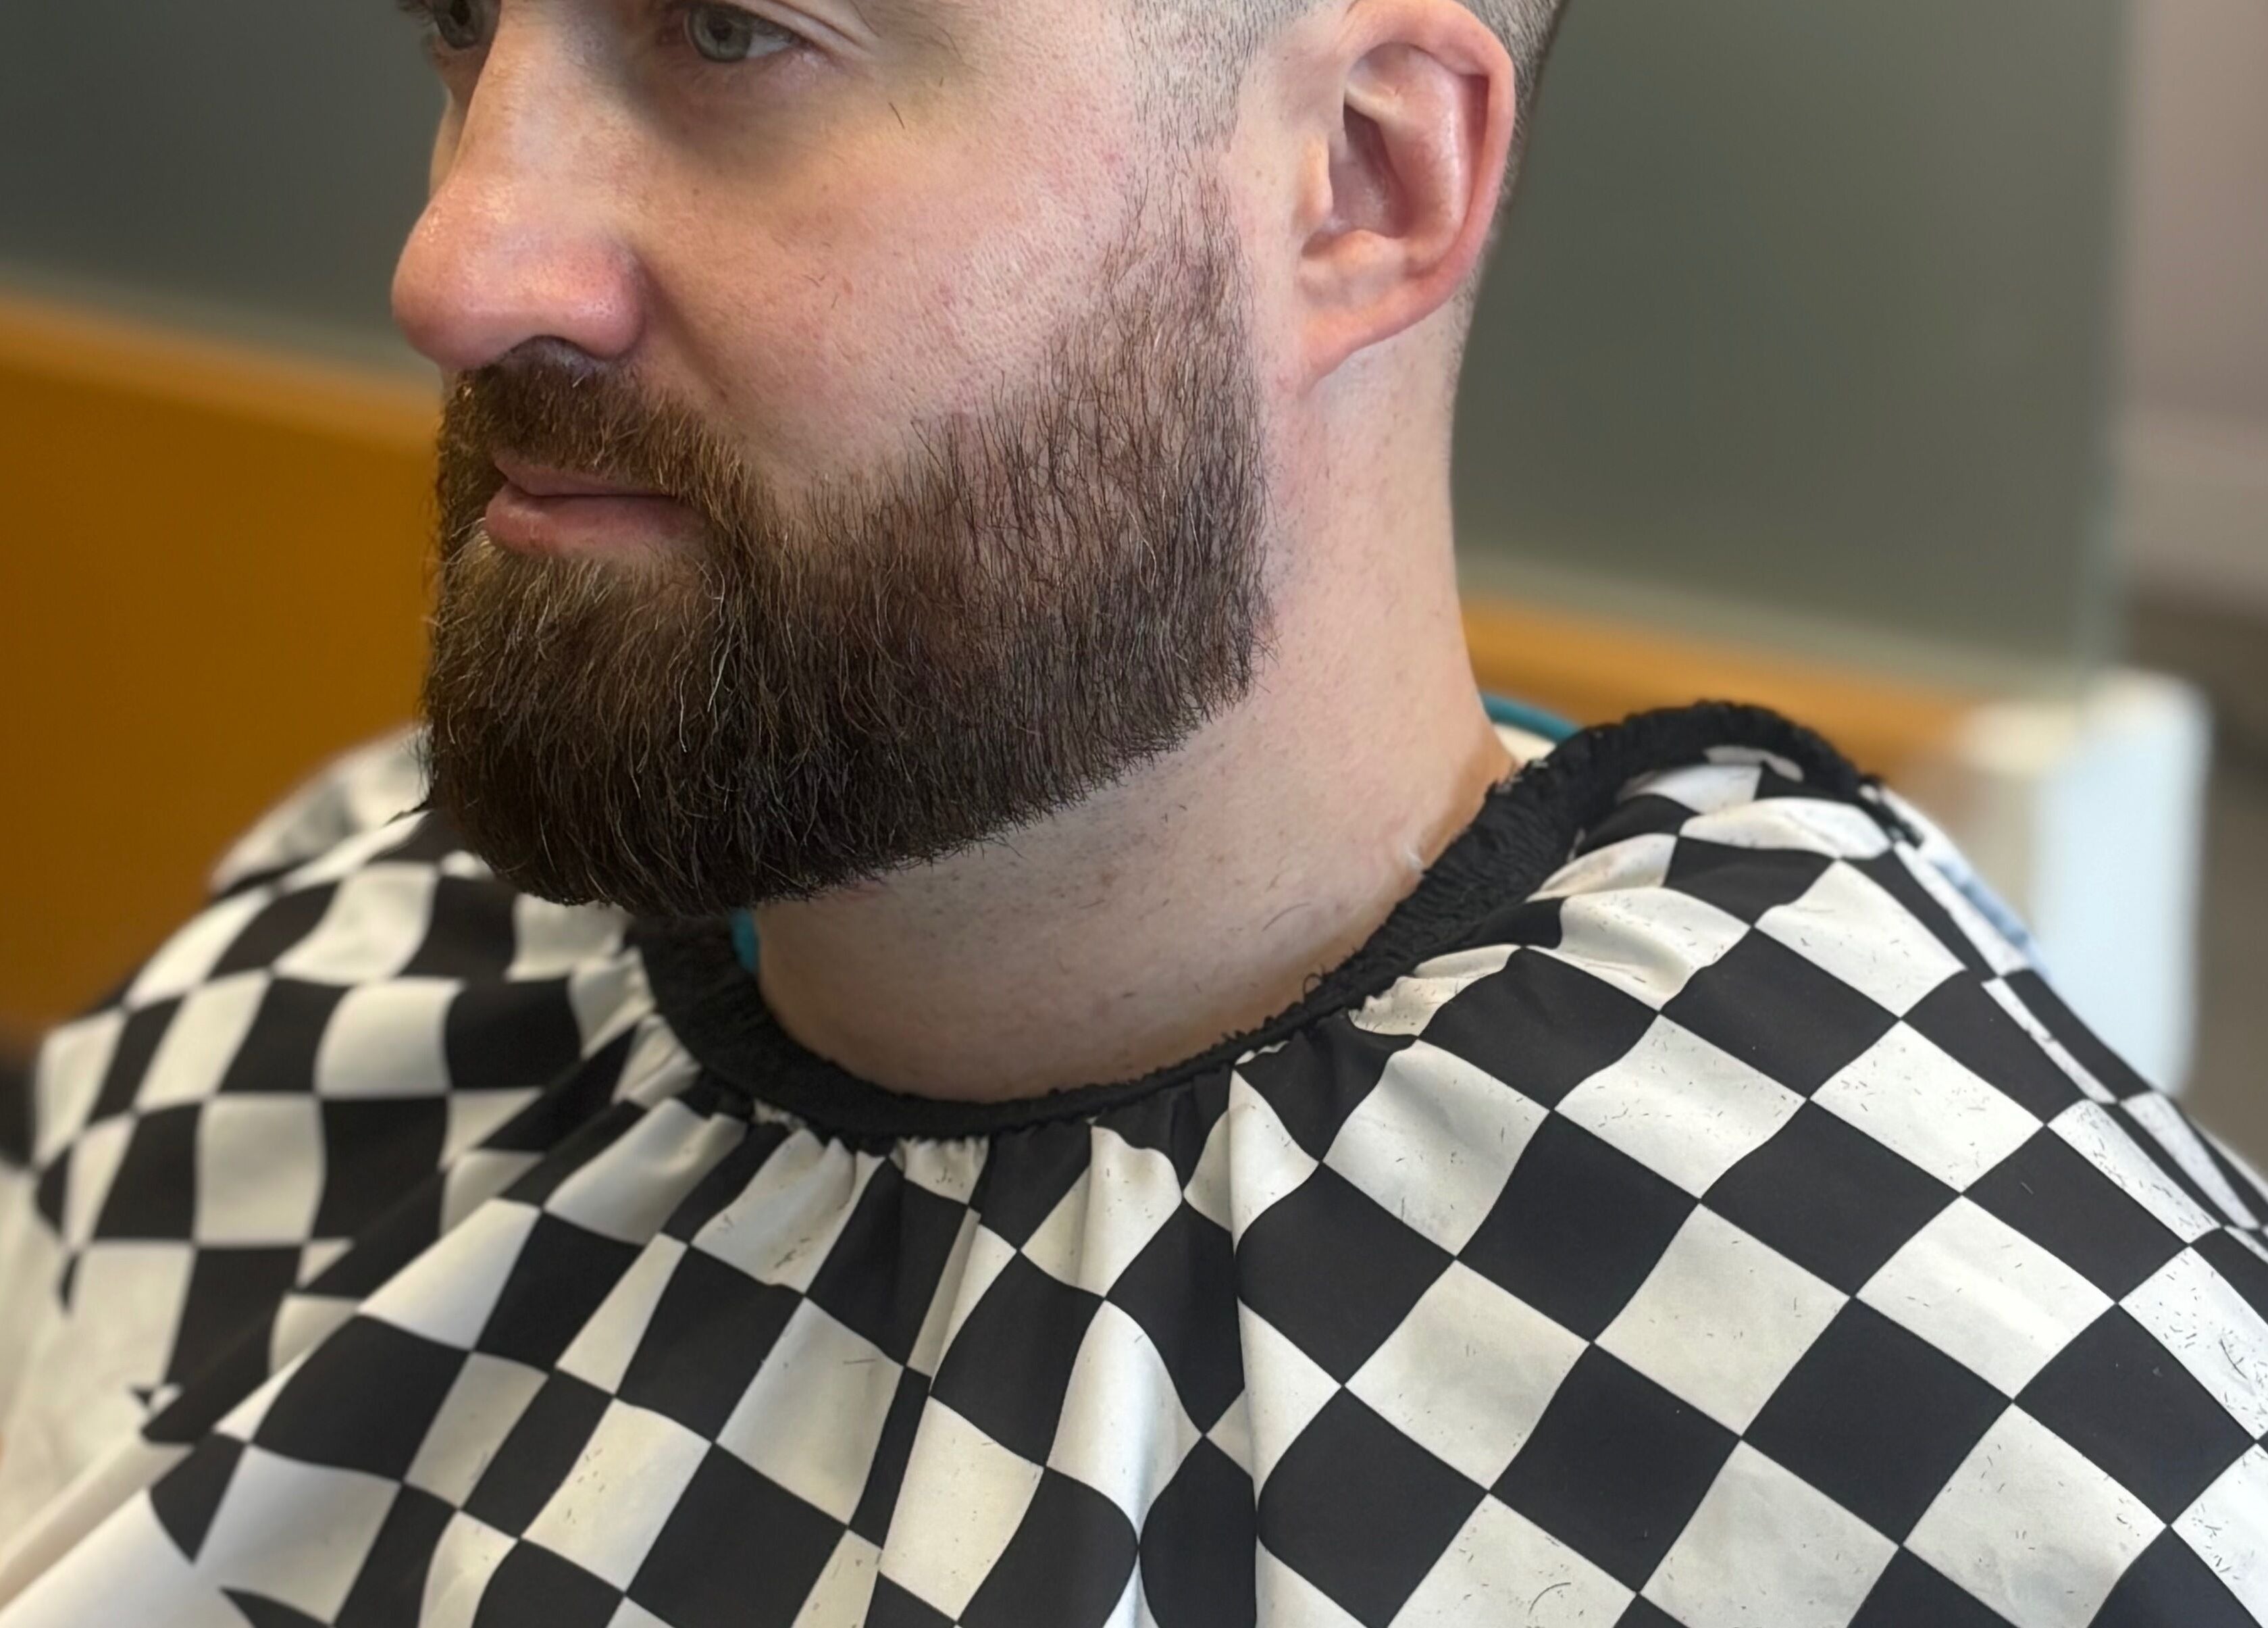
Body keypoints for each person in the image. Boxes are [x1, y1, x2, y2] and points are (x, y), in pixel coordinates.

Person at [2, 0, 2265, 1622]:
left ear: (1363, 178)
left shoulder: (2044, 1449)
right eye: (461, 30)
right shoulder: (347, 948)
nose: (455, 265)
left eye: (730, 34)